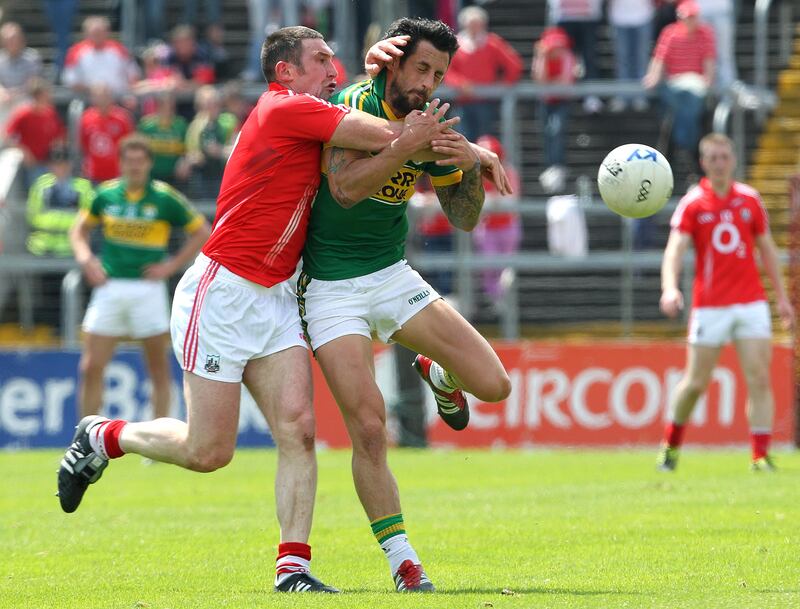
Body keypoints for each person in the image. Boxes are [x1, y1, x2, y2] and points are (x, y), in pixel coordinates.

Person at [56, 26, 457, 594]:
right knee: (208, 451)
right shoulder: (282, 107)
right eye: (320, 59)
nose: (332, 69)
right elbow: (390, 132)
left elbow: (372, 123)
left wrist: (380, 80)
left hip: (277, 297)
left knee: (299, 430)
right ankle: (103, 436)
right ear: (286, 71)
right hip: (222, 292)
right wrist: (453, 143)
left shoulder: (315, 116)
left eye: (334, 60)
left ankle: (292, 569)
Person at [298, 17, 512, 592]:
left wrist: (464, 162)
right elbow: (343, 189)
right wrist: (407, 145)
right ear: (392, 60)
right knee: (370, 428)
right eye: (421, 68)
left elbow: (463, 218)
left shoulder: (430, 118)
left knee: (494, 386)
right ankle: (403, 562)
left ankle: (440, 375)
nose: (428, 83)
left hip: (392, 276)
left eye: (439, 74)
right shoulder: (352, 104)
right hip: (329, 286)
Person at [656, 133, 794, 472]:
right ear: (704, 163)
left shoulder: (749, 199)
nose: (719, 164)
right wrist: (670, 288)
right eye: (713, 158)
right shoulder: (693, 203)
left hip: (751, 303)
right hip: (710, 306)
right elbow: (675, 250)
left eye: (724, 157)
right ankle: (670, 446)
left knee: (759, 378)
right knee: (695, 383)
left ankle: (759, 456)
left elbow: (767, 249)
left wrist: (782, 299)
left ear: (733, 160)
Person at [69, 134, 211, 423]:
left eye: (140, 161)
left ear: (149, 164)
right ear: (120, 163)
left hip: (148, 289)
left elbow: (202, 231)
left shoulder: (164, 197)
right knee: (91, 366)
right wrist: (86, 259)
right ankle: (86, 435)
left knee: (158, 368)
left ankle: (158, 436)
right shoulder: (105, 194)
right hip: (109, 286)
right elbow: (78, 231)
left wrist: (171, 266)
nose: (134, 166)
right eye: (129, 161)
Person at [643, 0, 716, 171]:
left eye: (693, 17)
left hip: (695, 83)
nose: (690, 21)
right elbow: (660, 58)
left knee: (687, 106)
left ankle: (683, 143)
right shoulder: (670, 33)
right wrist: (653, 77)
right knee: (684, 107)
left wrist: (708, 80)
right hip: (675, 83)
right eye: (687, 17)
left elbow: (709, 60)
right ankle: (687, 146)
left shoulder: (705, 33)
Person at [443, 5, 522, 143]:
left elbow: (514, 65)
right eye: (471, 24)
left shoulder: (492, 43)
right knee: (462, 139)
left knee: (484, 140)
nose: (474, 27)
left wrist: (504, 84)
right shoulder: (455, 44)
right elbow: (447, 70)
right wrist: (460, 84)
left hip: (485, 102)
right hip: (462, 101)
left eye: (477, 24)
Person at [472, 134, 522, 304]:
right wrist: (490, 201)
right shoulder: (475, 174)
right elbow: (474, 200)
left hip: (508, 225)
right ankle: (495, 299)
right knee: (489, 266)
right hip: (487, 227)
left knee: (508, 267)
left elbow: (513, 198)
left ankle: (507, 299)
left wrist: (495, 200)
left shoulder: (508, 171)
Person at [531, 26, 576, 194]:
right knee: (546, 132)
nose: (556, 50)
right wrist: (541, 56)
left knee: (557, 130)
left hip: (562, 101)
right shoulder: (542, 58)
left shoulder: (568, 56)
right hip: (546, 102)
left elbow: (564, 83)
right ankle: (550, 165)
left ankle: (558, 165)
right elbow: (540, 80)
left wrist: (550, 84)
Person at [5, 78, 66, 189]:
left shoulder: (50, 113)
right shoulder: (24, 114)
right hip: (32, 164)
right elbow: (6, 135)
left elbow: (60, 136)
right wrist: (24, 151)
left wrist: (56, 156)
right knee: (37, 191)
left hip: (49, 163)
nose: (49, 97)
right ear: (37, 96)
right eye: (45, 95)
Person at [62, 15, 140, 96]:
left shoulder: (120, 49)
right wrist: (94, 90)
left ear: (107, 32)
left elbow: (133, 74)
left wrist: (129, 94)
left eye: (100, 32)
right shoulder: (75, 51)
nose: (97, 35)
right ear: (86, 33)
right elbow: (70, 80)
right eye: (94, 33)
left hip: (118, 98)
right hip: (87, 98)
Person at [78, 84, 135, 183]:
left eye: (104, 96)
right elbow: (83, 145)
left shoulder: (122, 118)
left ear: (110, 97)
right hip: (93, 175)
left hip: (117, 175)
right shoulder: (86, 118)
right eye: (98, 96)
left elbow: (129, 145)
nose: (101, 100)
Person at [608, 0, 655, 112]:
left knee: (641, 59)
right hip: (619, 18)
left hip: (643, 17)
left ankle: (640, 96)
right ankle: (623, 96)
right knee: (622, 60)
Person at [0, 22, 42, 128]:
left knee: (28, 105)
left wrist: (16, 92)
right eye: (8, 40)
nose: (11, 42)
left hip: (25, 97)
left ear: (21, 39)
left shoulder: (32, 57)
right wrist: (3, 92)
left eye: (14, 39)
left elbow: (34, 82)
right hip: (5, 99)